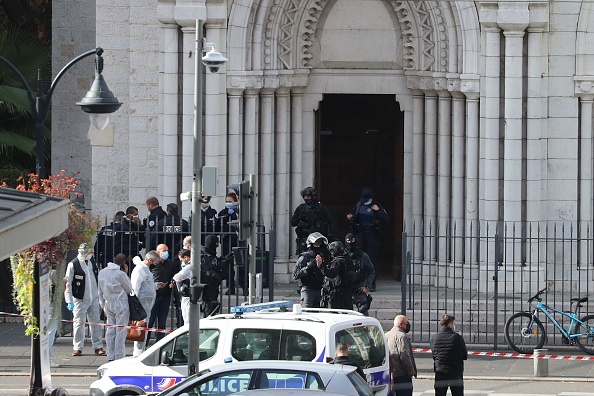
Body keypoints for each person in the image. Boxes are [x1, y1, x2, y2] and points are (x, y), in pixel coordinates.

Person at [64, 243, 106, 357]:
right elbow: (67, 283)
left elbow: (96, 278)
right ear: (84, 253)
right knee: (78, 323)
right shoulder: (73, 265)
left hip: (93, 297)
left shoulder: (92, 262)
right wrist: (69, 301)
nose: (91, 254)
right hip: (80, 298)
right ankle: (77, 347)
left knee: (96, 322)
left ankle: (98, 346)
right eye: (89, 253)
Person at [346, 187, 389, 291]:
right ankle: (357, 282)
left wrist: (378, 211)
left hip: (372, 234)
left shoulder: (377, 205)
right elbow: (353, 213)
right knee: (357, 257)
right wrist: (350, 216)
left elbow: (386, 219)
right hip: (360, 233)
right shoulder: (359, 204)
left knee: (371, 258)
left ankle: (371, 283)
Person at [98, 254, 133, 362]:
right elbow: (129, 289)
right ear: (123, 264)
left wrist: (103, 306)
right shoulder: (120, 274)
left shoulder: (102, 272)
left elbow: (100, 291)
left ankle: (110, 355)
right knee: (120, 331)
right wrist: (126, 274)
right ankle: (119, 356)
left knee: (110, 330)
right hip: (121, 304)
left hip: (108, 304)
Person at [131, 251, 165, 356]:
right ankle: (138, 353)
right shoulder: (140, 269)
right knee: (141, 328)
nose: (156, 264)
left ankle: (141, 350)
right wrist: (135, 304)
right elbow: (135, 287)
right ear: (150, 260)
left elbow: (147, 285)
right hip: (141, 304)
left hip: (146, 305)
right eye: (155, 262)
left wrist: (156, 286)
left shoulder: (145, 270)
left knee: (144, 328)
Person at [145, 244, 177, 346]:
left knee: (162, 323)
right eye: (163, 250)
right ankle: (145, 343)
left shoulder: (170, 264)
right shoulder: (153, 264)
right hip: (154, 296)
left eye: (167, 250)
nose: (166, 252)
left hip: (166, 296)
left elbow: (175, 276)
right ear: (157, 252)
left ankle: (159, 345)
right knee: (149, 322)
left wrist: (172, 282)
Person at [290, 187, 335, 254]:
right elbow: (293, 223)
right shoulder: (300, 208)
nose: (306, 198)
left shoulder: (321, 208)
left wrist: (331, 233)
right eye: (305, 196)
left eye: (308, 196)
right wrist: (300, 218)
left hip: (318, 238)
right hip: (304, 238)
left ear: (313, 197)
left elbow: (331, 221)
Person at [431, 314, 468, 396]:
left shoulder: (434, 337)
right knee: (457, 393)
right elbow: (465, 355)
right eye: (453, 324)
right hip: (455, 371)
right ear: (450, 324)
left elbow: (434, 354)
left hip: (440, 371)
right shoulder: (457, 337)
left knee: (440, 393)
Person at [292, 232, 328, 308]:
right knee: (306, 313)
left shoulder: (321, 257)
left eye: (319, 245)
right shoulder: (304, 257)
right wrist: (307, 268)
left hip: (319, 289)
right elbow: (295, 275)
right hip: (307, 290)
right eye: (316, 245)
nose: (318, 247)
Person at [201, 235, 232, 316]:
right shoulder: (205, 256)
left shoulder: (210, 254)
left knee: (213, 309)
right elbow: (214, 266)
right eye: (216, 244)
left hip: (213, 290)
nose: (217, 246)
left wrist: (225, 259)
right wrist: (225, 261)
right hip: (208, 290)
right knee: (208, 311)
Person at [385, 315, 416, 396]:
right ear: (401, 324)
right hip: (402, 375)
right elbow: (405, 356)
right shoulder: (402, 337)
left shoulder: (386, 335)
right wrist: (411, 372)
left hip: (390, 374)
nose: (408, 325)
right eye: (407, 323)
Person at [217, 192, 242, 294]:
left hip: (237, 240)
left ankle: (244, 286)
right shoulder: (222, 212)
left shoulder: (239, 212)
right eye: (226, 201)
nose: (228, 203)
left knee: (241, 264)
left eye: (230, 201)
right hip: (226, 241)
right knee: (228, 264)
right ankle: (230, 286)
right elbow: (218, 225)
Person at [345, 233, 375, 315]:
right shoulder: (343, 256)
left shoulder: (363, 256)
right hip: (346, 289)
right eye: (348, 241)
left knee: (363, 312)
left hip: (359, 288)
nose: (350, 242)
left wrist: (367, 286)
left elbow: (371, 271)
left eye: (352, 240)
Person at [320, 241, 354, 310]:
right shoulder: (348, 260)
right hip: (347, 292)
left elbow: (331, 274)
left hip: (338, 294)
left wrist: (321, 265)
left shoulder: (337, 262)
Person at [172, 249, 192, 324]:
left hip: (188, 295)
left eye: (181, 260)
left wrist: (173, 279)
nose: (181, 262)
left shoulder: (189, 267)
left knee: (187, 318)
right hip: (193, 295)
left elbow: (178, 276)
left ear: (186, 257)